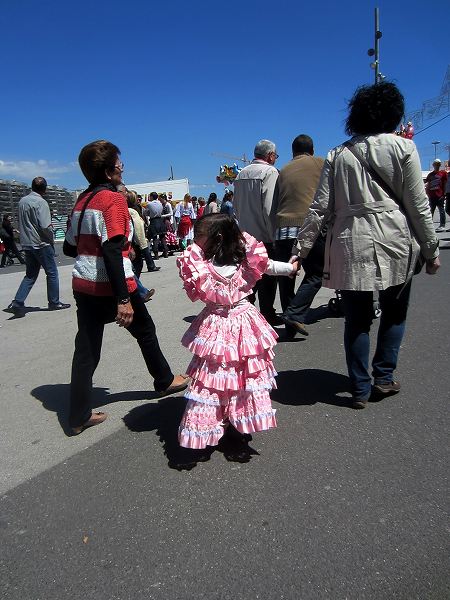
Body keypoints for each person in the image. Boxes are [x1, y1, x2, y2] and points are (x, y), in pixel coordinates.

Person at [293, 82, 440, 409]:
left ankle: (359, 387)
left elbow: (319, 208)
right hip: (395, 240)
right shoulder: (404, 148)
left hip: (350, 240)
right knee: (395, 313)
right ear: (393, 113)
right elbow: (418, 204)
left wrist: (301, 250)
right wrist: (430, 250)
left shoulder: (338, 153)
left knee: (357, 319)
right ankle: (383, 378)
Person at [65, 140, 189, 435]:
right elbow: (111, 250)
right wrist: (123, 298)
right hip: (113, 284)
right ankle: (164, 380)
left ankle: (78, 414)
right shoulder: (113, 200)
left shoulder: (81, 201)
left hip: (84, 285)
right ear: (109, 172)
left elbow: (70, 247)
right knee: (145, 330)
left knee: (86, 349)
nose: (122, 167)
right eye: (119, 164)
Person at [177, 213, 298, 453]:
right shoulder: (230, 259)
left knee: (219, 376)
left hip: (223, 323)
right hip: (236, 322)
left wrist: (288, 267)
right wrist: (290, 268)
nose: (195, 239)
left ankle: (229, 421)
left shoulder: (212, 262)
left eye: (199, 235)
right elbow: (271, 267)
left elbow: (268, 266)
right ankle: (229, 423)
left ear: (218, 237)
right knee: (227, 376)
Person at [273, 134, 324, 337]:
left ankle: (289, 323)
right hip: (308, 225)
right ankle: (295, 313)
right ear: (311, 150)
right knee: (318, 272)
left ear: (293, 152)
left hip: (282, 228)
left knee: (287, 275)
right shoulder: (320, 163)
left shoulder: (283, 170)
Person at [5, 177, 70, 317]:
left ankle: (18, 301)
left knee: (30, 275)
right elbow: (45, 226)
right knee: (52, 273)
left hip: (27, 243)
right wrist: (51, 239)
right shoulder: (41, 202)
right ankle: (54, 302)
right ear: (45, 189)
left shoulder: (22, 201)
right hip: (41, 243)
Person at [233, 139, 280, 326]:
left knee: (249, 277)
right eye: (275, 156)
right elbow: (269, 207)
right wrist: (273, 235)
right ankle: (267, 313)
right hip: (264, 234)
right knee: (268, 277)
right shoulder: (270, 172)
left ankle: (247, 313)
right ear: (270, 155)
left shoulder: (241, 174)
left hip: (245, 236)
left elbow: (236, 207)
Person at [425, 159, 448, 232]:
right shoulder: (430, 175)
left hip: (440, 195)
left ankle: (442, 225)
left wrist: (444, 193)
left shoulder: (443, 173)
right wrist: (427, 193)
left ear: (440, 165)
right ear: (433, 165)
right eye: (436, 164)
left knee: (441, 210)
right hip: (432, 195)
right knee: (431, 211)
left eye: (438, 164)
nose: (437, 165)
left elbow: (445, 184)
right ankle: (429, 227)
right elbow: (428, 184)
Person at [144, 192, 169, 259]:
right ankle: (166, 253)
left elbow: (146, 213)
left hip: (154, 221)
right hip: (160, 220)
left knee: (155, 237)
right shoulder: (160, 203)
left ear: (152, 197)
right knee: (162, 237)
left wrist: (150, 213)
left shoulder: (149, 204)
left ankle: (156, 255)